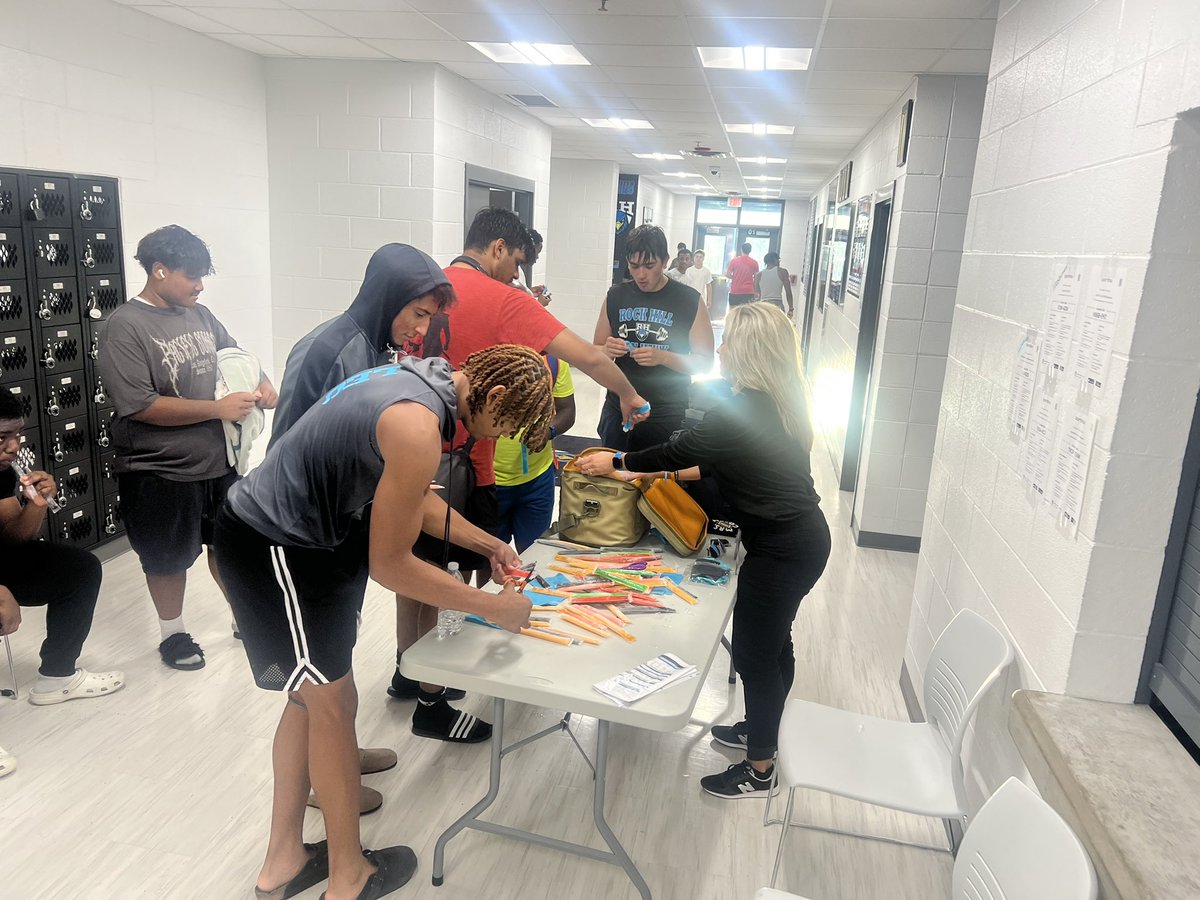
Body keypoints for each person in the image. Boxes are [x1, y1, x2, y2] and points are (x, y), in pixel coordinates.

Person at [215, 347, 547, 900]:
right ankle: (348, 877)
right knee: (329, 705)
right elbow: (392, 565)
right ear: (495, 397)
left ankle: (284, 860)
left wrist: (490, 545)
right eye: (507, 426)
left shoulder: (419, 381)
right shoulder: (418, 425)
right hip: (279, 545)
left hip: (297, 541)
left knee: (309, 701)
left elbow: (413, 500)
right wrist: (492, 606)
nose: (497, 439)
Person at [391, 207, 649, 742]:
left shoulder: (423, 297)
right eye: (517, 263)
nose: (519, 277)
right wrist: (627, 393)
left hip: (402, 451)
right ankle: (432, 697)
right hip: (462, 460)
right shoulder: (503, 298)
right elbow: (585, 355)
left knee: (413, 564)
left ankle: (408, 670)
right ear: (499, 247)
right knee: (443, 573)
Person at [578, 303, 830, 800]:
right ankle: (764, 730)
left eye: (732, 340)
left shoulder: (745, 408)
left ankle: (761, 770)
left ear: (751, 350)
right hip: (797, 540)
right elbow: (710, 465)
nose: (725, 349)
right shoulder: (780, 401)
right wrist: (637, 473)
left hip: (784, 548)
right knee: (774, 644)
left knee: (756, 654)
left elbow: (682, 451)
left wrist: (618, 460)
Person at [268, 242, 454, 816]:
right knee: (315, 678)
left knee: (339, 655)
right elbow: (292, 450)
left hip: (345, 524)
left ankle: (340, 752)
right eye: (417, 313)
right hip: (305, 533)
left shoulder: (381, 347)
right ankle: (326, 782)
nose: (422, 328)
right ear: (387, 297)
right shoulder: (327, 348)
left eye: (429, 317)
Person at [98, 225, 276, 671]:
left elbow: (234, 355)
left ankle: (244, 619)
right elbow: (139, 404)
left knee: (230, 548)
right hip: (159, 470)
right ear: (159, 271)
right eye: (191, 276)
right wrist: (216, 408)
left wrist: (262, 381)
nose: (199, 286)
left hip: (221, 463)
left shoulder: (201, 315)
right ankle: (173, 635)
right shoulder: (125, 327)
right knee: (166, 559)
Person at [0, 391, 124, 774]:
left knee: (80, 569)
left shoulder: (3, 469)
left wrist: (35, 504)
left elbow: (12, 536)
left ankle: (57, 677)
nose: (14, 446)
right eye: (3, 436)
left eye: (18, 434)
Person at [593, 224, 714, 452]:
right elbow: (596, 353)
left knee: (658, 485)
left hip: (667, 412)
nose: (641, 275)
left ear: (666, 260)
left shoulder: (689, 300)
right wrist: (607, 351)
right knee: (615, 480)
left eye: (649, 266)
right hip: (619, 407)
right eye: (634, 266)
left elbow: (705, 363)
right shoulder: (615, 296)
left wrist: (664, 357)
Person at [493, 355, 575, 552]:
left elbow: (567, 410)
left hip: (537, 480)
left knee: (533, 555)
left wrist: (548, 431)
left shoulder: (553, 362)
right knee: (488, 556)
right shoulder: (488, 359)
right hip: (488, 483)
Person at [755, 251, 795, 316]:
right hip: (777, 305)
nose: (779, 262)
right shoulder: (783, 272)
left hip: (763, 306)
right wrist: (791, 308)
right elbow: (788, 292)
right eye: (778, 260)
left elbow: (757, 294)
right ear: (775, 260)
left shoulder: (758, 275)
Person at [517, 229, 550, 306]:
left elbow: (518, 296)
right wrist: (539, 304)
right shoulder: (509, 272)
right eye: (536, 253)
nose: (537, 257)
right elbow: (518, 308)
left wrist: (530, 291)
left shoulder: (518, 269)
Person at [726, 242, 759, 308]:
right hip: (748, 291)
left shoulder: (734, 261)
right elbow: (756, 278)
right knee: (747, 314)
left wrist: (735, 277)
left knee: (734, 313)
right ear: (750, 251)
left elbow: (728, 274)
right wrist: (756, 291)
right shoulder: (754, 262)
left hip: (735, 291)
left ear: (741, 249)